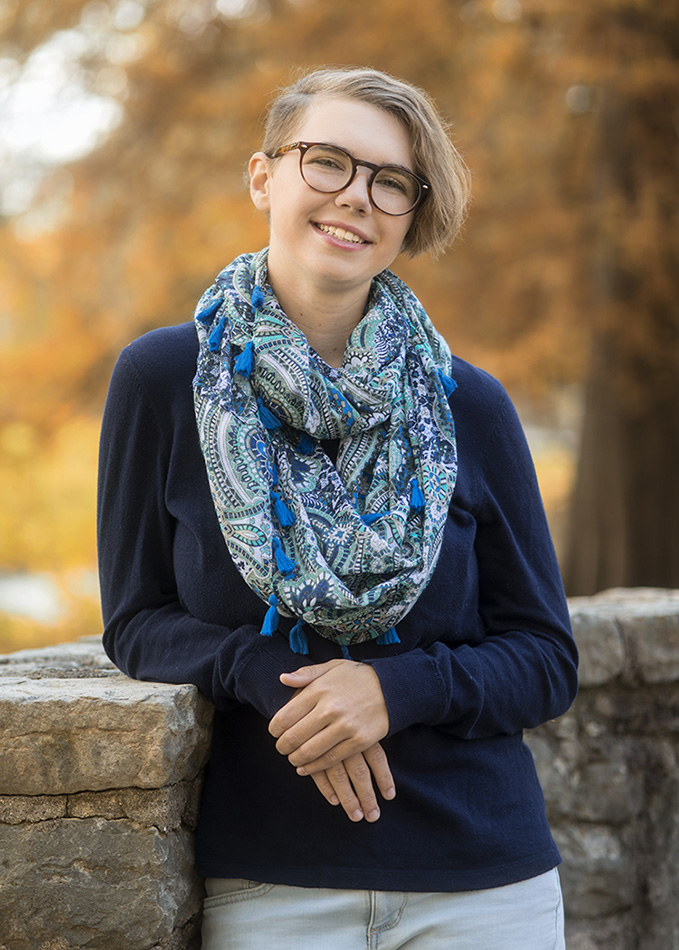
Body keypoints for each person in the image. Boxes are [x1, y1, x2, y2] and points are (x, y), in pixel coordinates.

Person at [98, 66, 578, 950]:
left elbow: (546, 657)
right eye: (327, 163)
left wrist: (392, 691)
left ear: (408, 214)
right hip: (273, 881)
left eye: (389, 180)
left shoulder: (468, 404)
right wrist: (270, 678)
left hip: (482, 883)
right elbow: (136, 624)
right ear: (263, 177)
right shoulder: (163, 380)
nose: (356, 197)